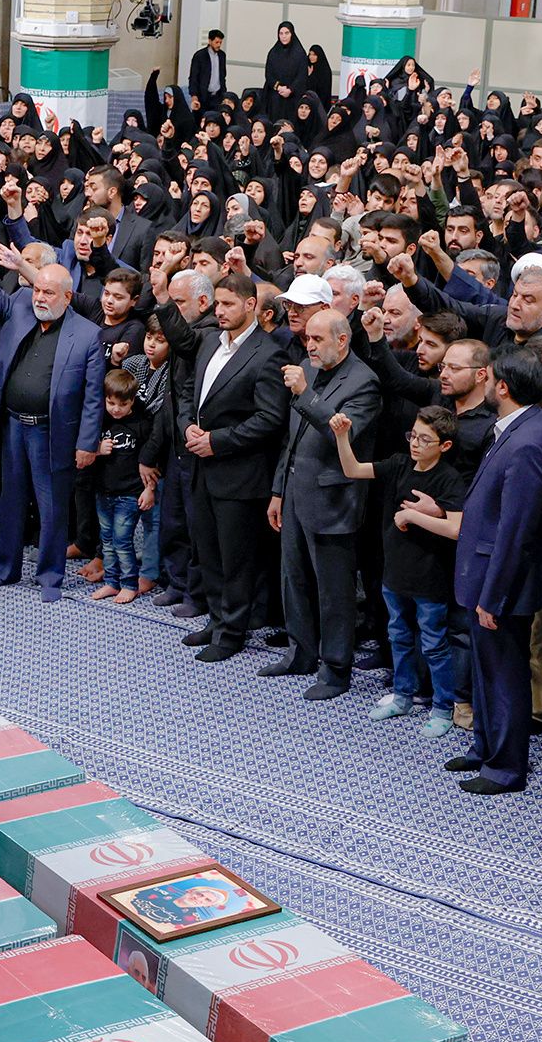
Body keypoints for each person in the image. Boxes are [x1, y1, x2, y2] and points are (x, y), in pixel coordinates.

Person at [453, 346, 542, 796]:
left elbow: (516, 531)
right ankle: (486, 746)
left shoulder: (531, 440)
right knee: (486, 671)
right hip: (487, 575)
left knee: (504, 675)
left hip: (500, 585)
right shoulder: (522, 429)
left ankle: (505, 766)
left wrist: (493, 597)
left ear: (501, 386)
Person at [171, 270, 290, 664]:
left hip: (240, 474)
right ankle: (218, 619)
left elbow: (270, 419)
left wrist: (216, 442)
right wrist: (187, 425)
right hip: (202, 466)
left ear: (251, 305)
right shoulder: (208, 341)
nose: (219, 311)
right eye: (217, 304)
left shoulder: (270, 353)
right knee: (208, 551)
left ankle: (232, 631)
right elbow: (189, 391)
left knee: (236, 558)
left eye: (227, 304)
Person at [0, 250, 107, 602]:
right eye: (37, 290)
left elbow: (94, 397)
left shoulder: (88, 334)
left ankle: (50, 575)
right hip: (12, 427)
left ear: (67, 296)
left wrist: (87, 443)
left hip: (54, 433)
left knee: (52, 507)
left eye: (49, 293)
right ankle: (6, 569)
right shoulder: (19, 306)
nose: (40, 297)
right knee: (10, 501)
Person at [334, 403, 467, 737]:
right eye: (413, 435)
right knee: (398, 635)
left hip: (429, 577)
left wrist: (412, 516)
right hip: (395, 571)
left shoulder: (449, 479)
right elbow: (353, 469)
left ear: (445, 446)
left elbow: (456, 529)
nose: (415, 444)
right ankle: (403, 693)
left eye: (425, 439)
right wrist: (341, 436)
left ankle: (442, 706)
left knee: (434, 643)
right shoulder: (398, 464)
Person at [267, 308, 380, 698]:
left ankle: (335, 668)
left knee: (334, 591)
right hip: (297, 491)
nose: (309, 345)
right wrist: (279, 489)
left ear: (343, 340)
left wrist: (305, 394)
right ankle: (300, 652)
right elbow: (292, 438)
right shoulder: (308, 368)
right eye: (307, 339)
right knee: (292, 577)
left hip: (334, 498)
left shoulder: (365, 383)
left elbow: (340, 436)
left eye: (318, 340)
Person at [90, 370, 155, 602]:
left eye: (123, 404)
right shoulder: (100, 420)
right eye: (111, 403)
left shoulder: (141, 424)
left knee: (122, 540)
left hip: (130, 493)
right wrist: (97, 450)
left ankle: (129, 583)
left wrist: (150, 490)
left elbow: (151, 462)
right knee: (106, 539)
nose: (116, 409)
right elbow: (86, 449)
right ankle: (111, 581)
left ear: (133, 401)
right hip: (104, 490)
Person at [187, 29, 228, 109]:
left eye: (220, 42)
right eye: (216, 42)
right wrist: (194, 96)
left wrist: (224, 94)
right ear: (210, 41)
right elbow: (193, 77)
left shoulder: (222, 55)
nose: (219, 45)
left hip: (218, 97)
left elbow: (223, 76)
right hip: (203, 97)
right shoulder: (199, 56)